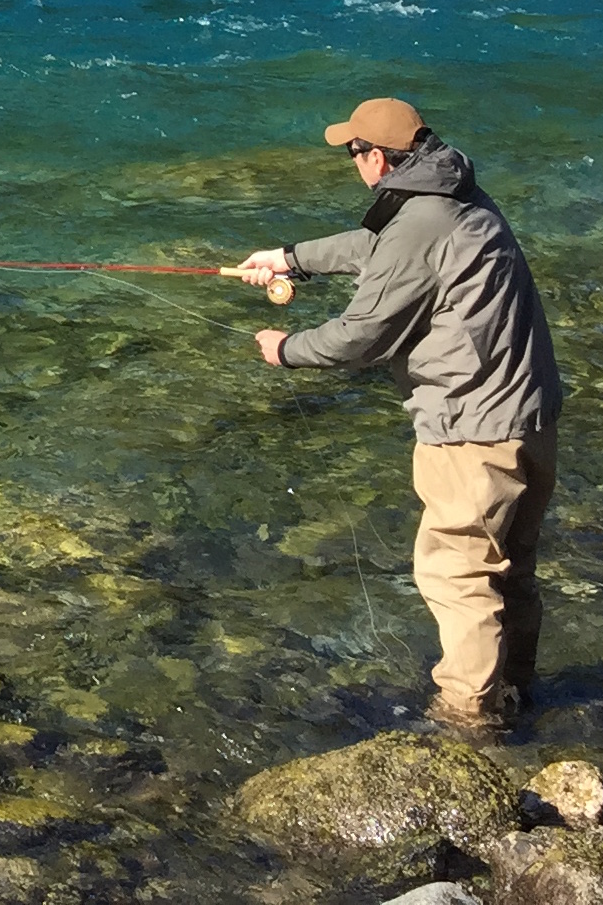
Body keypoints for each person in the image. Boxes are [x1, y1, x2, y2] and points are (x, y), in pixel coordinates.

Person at [234, 97, 563, 732]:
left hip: (473, 431)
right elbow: (378, 247)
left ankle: (469, 719)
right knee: (510, 568)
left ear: (377, 157)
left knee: (457, 569)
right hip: (530, 417)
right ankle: (518, 692)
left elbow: (362, 336)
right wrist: (290, 256)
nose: (352, 161)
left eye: (353, 152)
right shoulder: (455, 197)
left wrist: (287, 350)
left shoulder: (420, 221)